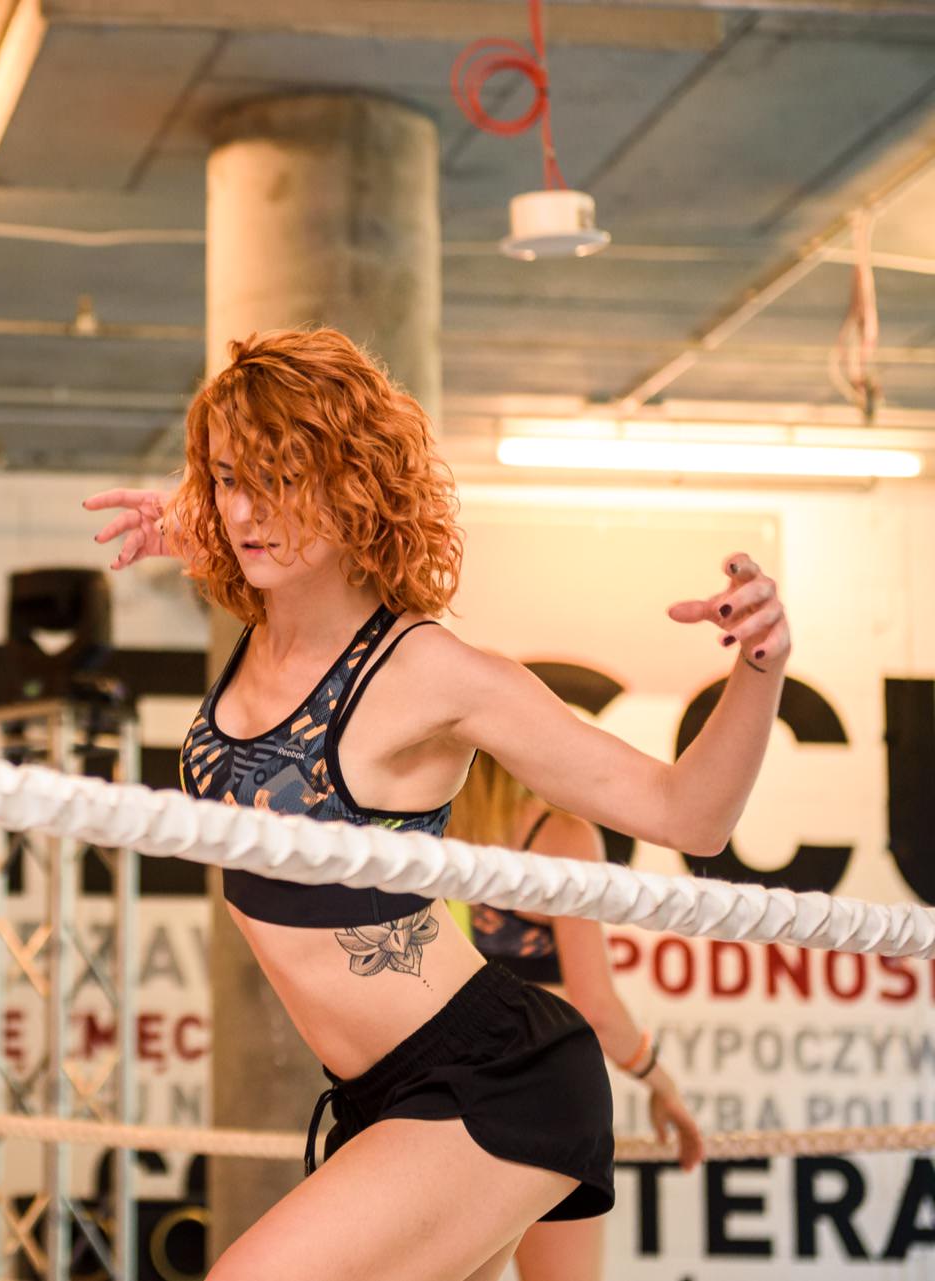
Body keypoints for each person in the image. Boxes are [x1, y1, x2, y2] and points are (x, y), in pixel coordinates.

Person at [85, 327, 786, 1281]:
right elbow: (250, 544)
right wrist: (200, 527)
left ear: (352, 482)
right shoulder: (256, 608)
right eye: (225, 478)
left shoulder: (428, 672)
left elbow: (687, 815)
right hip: (381, 1095)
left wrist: (760, 666)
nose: (248, 509)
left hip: (491, 1076)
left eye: (278, 479)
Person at [449, 751, 705, 1280]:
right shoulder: (558, 834)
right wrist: (662, 1082)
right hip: (543, 1094)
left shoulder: (432, 834)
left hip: (450, 1095)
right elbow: (595, 1004)